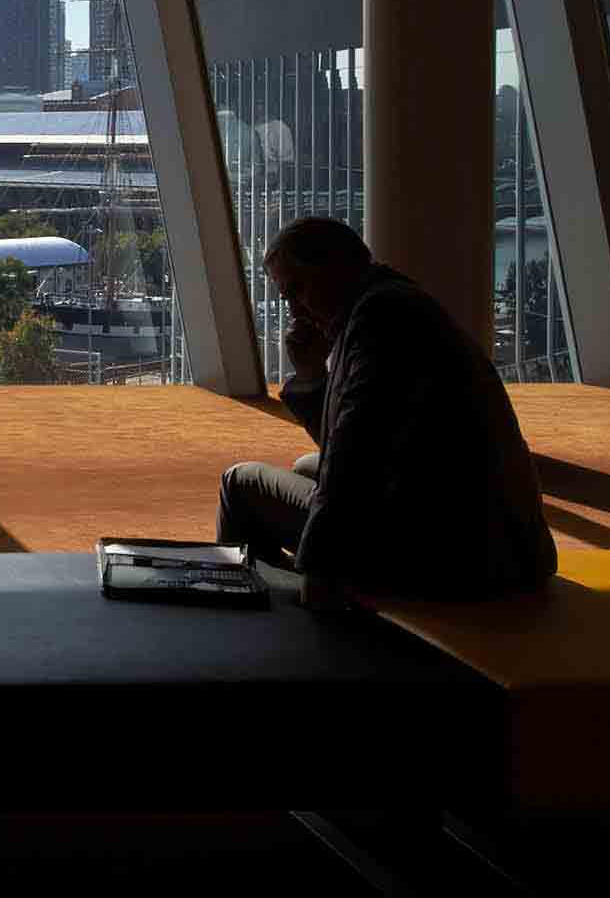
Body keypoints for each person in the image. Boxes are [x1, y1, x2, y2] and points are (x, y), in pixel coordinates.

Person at [215, 218, 558, 608]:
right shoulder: (395, 303)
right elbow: (349, 439)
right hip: (505, 541)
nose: (295, 309)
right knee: (307, 465)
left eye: (297, 289)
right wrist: (312, 377)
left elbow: (353, 459)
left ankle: (260, 611)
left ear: (335, 268)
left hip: (455, 556)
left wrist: (319, 571)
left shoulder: (379, 322)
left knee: (239, 485)